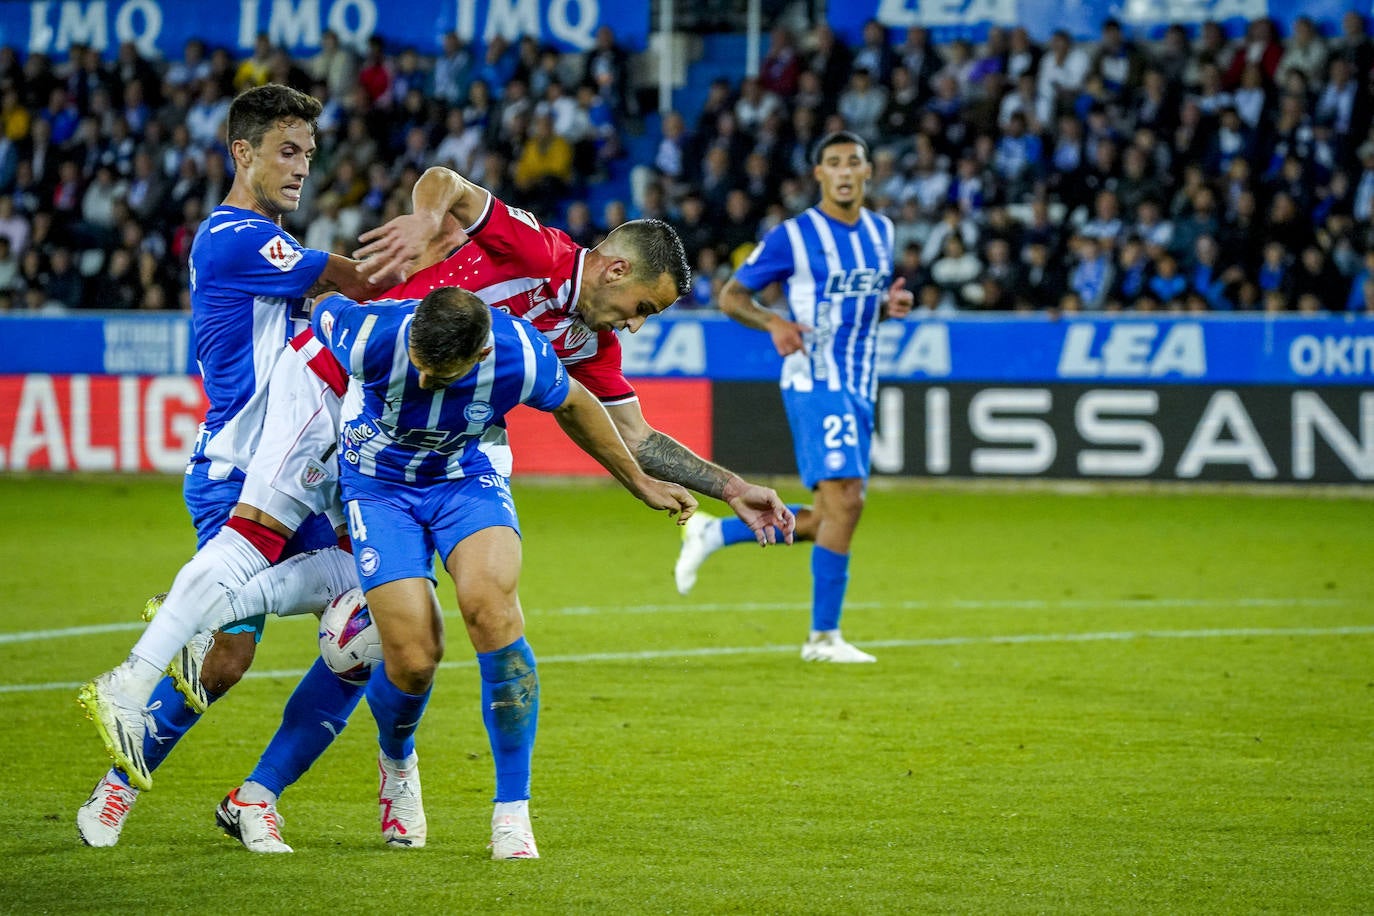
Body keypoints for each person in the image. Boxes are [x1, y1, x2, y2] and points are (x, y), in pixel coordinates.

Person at [201, 171, 795, 853]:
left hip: (458, 459)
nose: (634, 323)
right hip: (358, 428)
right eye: (641, 306)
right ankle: (200, 685)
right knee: (361, 636)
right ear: (614, 267)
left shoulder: (588, 344)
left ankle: (487, 804)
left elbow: (633, 435)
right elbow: (444, 182)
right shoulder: (539, 250)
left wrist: (733, 488)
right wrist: (427, 221)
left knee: (451, 623)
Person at [74, 84, 402, 848]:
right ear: (242, 153)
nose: (300, 168)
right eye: (286, 152)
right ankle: (120, 783)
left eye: (309, 155)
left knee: (374, 620)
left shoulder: (269, 248)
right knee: (227, 663)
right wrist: (441, 265)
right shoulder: (233, 236)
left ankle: (256, 792)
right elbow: (353, 281)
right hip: (236, 473)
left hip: (302, 480)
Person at [310, 286, 694, 858]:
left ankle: (512, 812)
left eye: (442, 376)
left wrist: (638, 481)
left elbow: (577, 404)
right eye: (419, 364)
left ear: (482, 355)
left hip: (466, 479)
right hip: (379, 487)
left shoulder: (521, 351)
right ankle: (396, 762)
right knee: (413, 661)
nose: (424, 378)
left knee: (492, 612)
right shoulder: (368, 335)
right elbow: (319, 298)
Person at [673, 131, 913, 663]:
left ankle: (715, 535)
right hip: (813, 377)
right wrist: (774, 321)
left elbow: (858, 304)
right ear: (820, 175)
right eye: (834, 162)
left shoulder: (881, 231)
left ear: (869, 170)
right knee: (848, 500)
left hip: (860, 382)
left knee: (832, 512)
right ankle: (822, 638)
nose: (846, 170)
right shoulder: (794, 235)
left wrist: (886, 306)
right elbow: (733, 296)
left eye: (854, 161)